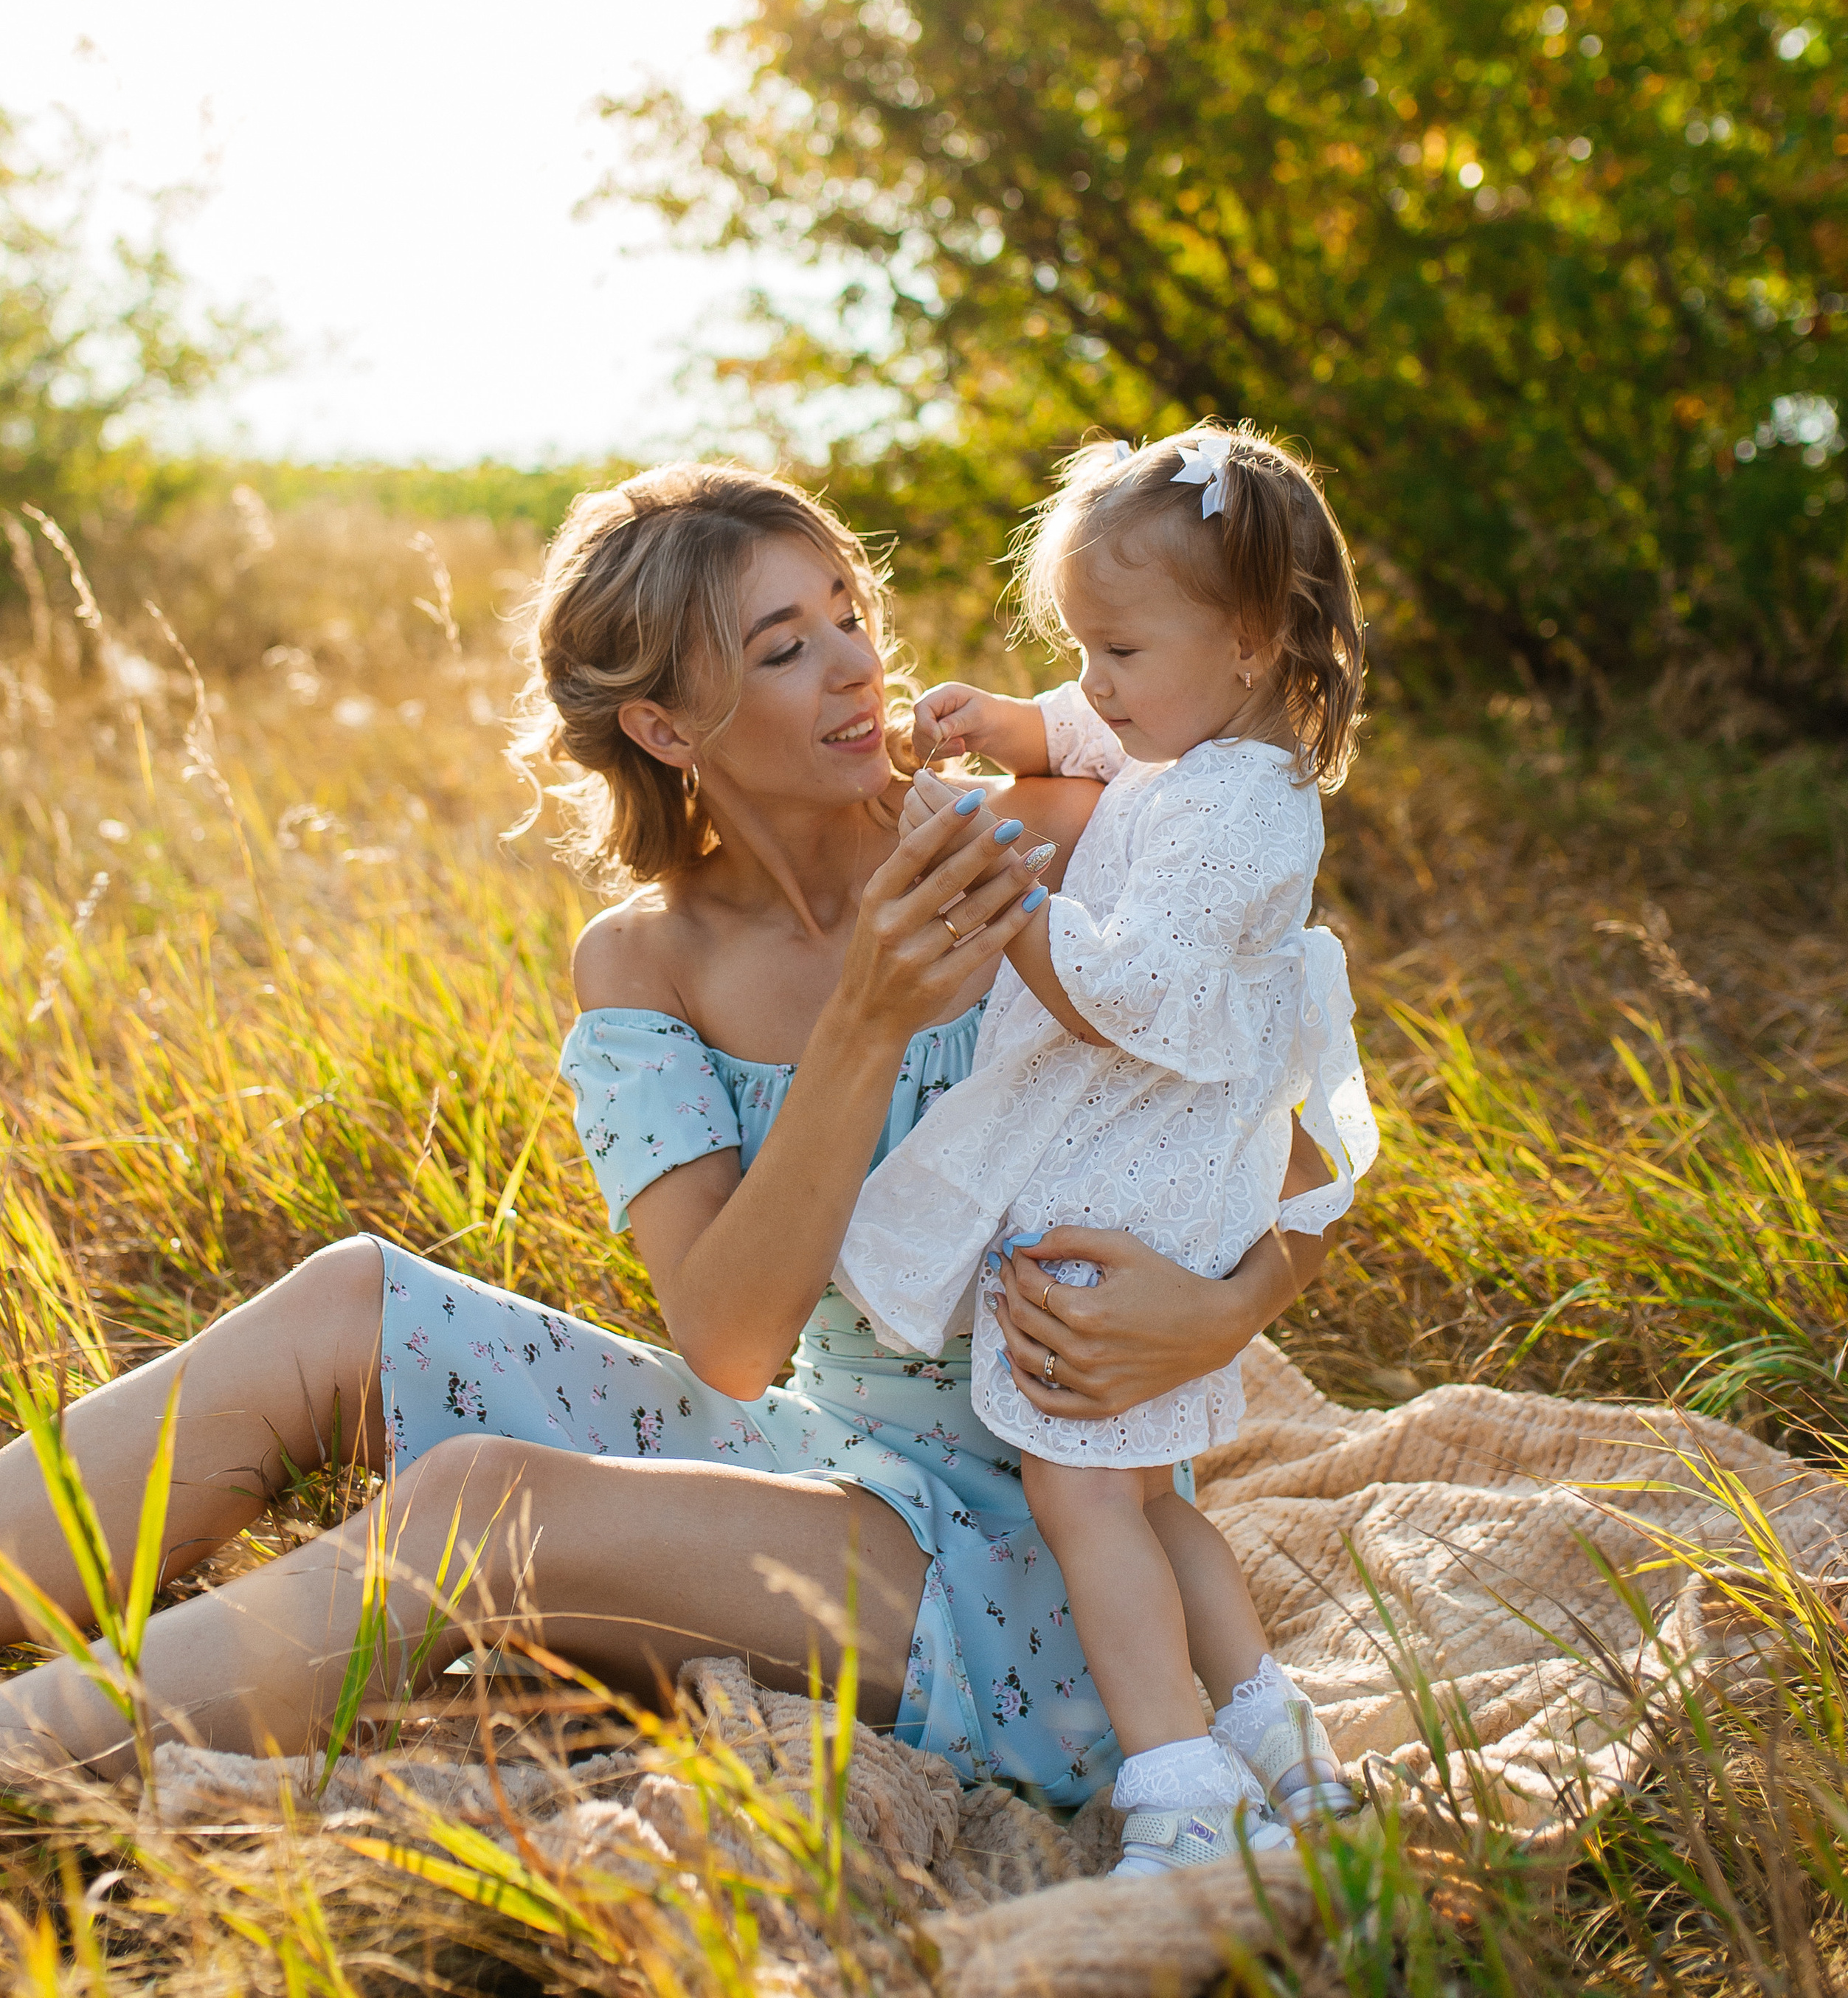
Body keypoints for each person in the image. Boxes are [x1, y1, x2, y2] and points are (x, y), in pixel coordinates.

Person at [0, 463, 1337, 1817]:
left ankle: (18, 1757)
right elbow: (732, 1342)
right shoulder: (647, 962)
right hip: (814, 1449)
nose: (853, 669)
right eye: (782, 648)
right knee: (354, 1296)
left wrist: (1227, 1314)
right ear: (666, 724)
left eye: (845, 613)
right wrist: (867, 1021)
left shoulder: (1036, 846)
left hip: (1045, 1557)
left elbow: (1304, 1130)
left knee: (482, 1509)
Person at [835, 427, 1377, 1873]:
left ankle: (1176, 1784)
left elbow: (1122, 995)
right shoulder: (1192, 741)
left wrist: (1000, 880)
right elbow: (1092, 739)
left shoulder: (1238, 816)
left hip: (1133, 1171)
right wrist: (1008, 724)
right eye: (1076, 646)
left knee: (1080, 1493)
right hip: (1158, 1164)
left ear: (1252, 643)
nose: (1093, 685)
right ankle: (1268, 1722)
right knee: (1146, 1489)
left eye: (1114, 650)